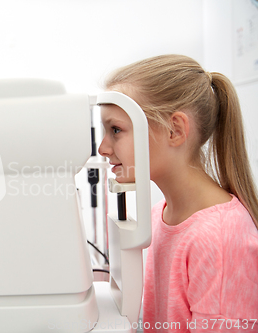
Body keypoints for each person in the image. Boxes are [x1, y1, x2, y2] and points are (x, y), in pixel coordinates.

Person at [98, 54, 258, 332]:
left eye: (116, 130)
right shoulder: (161, 216)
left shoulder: (217, 238)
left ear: (175, 130)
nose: (103, 147)